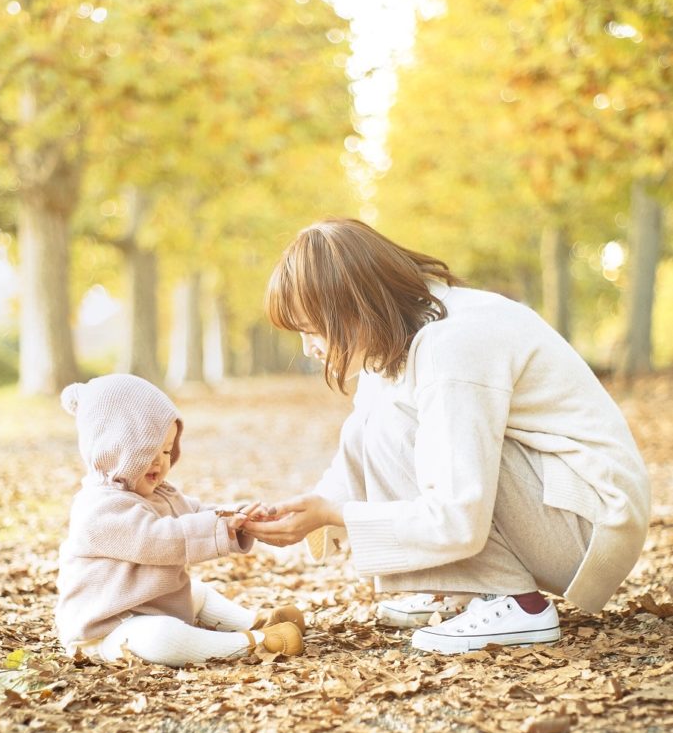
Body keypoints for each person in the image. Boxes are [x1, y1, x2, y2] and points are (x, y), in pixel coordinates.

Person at [243, 218, 650, 655]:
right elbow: (358, 448)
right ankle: (462, 582)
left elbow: (458, 512)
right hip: (557, 504)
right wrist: (310, 510)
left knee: (394, 423)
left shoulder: (451, 344)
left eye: (312, 329)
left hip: (590, 522)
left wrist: (335, 512)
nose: (309, 348)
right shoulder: (399, 336)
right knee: (377, 420)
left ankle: (515, 603)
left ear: (354, 309)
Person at [56, 374, 304, 667]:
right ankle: (252, 644)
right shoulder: (98, 509)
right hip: (106, 629)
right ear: (114, 448)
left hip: (146, 604)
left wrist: (237, 516)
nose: (161, 461)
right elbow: (158, 539)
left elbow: (195, 512)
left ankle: (255, 622)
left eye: (166, 450)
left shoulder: (156, 493)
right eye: (149, 450)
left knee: (196, 592)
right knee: (161, 637)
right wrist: (220, 528)